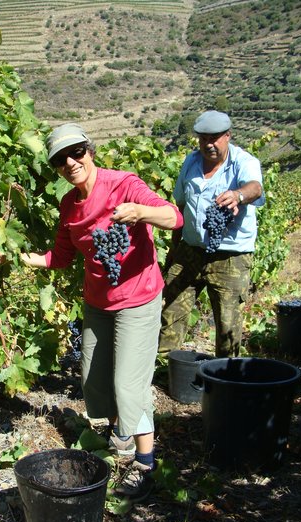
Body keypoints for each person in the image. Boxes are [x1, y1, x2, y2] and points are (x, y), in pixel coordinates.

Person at [21, 123, 183, 500]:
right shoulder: (69, 205)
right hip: (97, 303)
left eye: (76, 152)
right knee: (94, 380)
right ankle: (121, 436)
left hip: (139, 298)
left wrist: (141, 212)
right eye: (61, 160)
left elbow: (175, 217)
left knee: (129, 386)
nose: (70, 162)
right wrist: (33, 260)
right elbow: (61, 256)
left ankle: (145, 465)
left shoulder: (124, 184)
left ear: (89, 150)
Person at [158, 110, 264, 358]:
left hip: (230, 257)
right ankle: (164, 371)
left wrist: (238, 195)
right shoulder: (191, 163)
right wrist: (174, 249)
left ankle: (226, 380)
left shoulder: (243, 162)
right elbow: (181, 206)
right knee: (170, 311)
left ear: (228, 136)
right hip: (190, 250)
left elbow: (255, 188)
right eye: (204, 138)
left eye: (215, 138)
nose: (209, 144)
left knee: (228, 323)